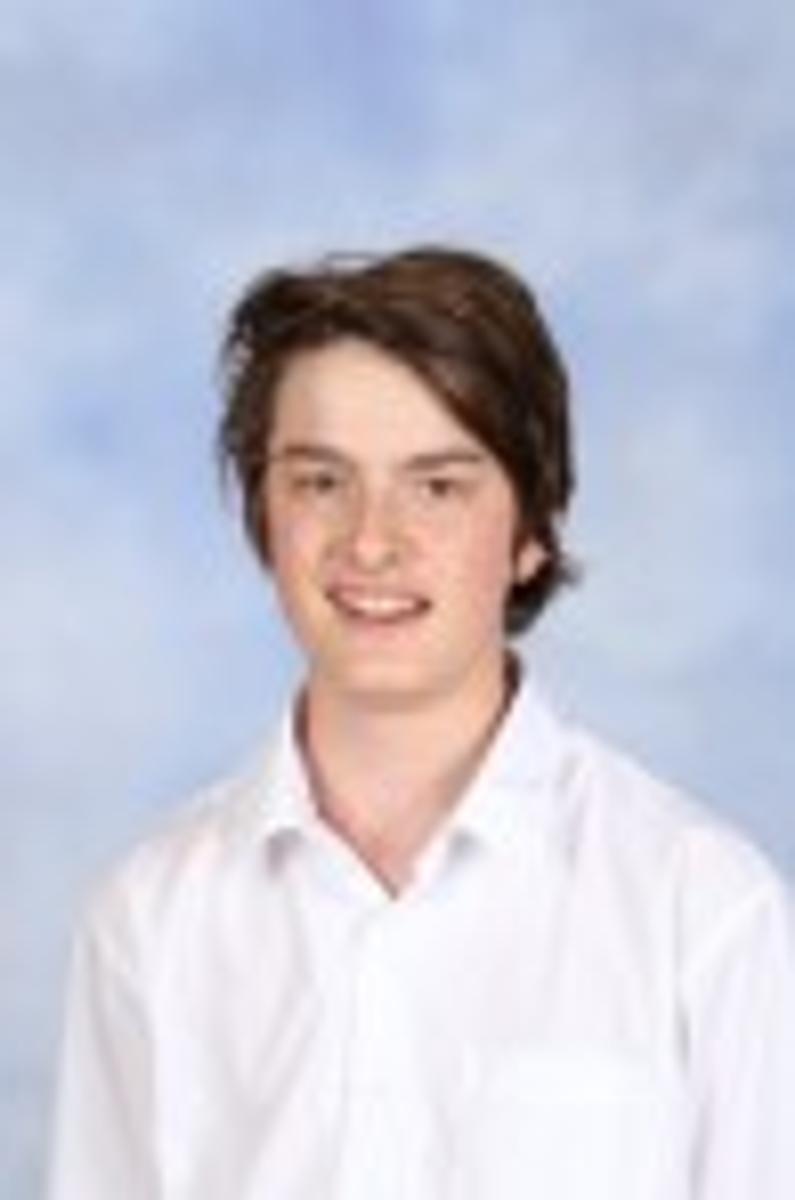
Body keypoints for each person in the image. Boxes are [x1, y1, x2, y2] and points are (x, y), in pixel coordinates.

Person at [48, 246, 795, 1199]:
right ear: (263, 515)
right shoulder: (148, 918)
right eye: (321, 482)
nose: (370, 542)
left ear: (531, 530)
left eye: (437, 486)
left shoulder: (702, 909)